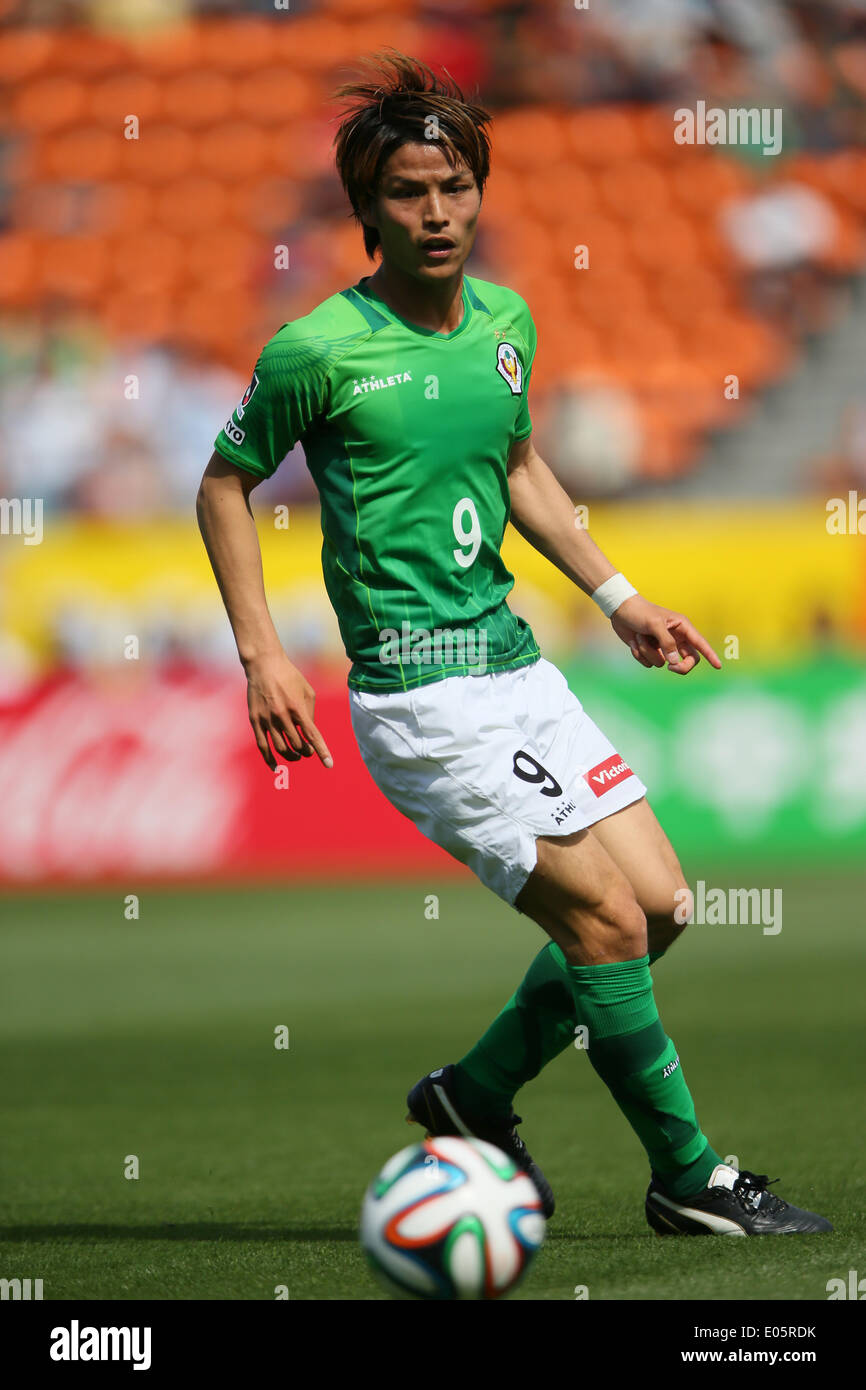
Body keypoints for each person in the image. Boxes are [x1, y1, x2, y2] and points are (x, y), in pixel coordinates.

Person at [197, 50, 830, 1237]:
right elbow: (223, 485)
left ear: (478, 191)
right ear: (366, 210)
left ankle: (472, 1092)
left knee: (664, 906)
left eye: (453, 187)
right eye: (406, 193)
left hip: (517, 667)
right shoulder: (317, 350)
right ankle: (686, 1176)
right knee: (604, 925)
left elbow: (520, 465)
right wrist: (261, 652)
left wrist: (615, 591)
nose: (435, 213)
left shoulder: (504, 319)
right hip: (420, 699)